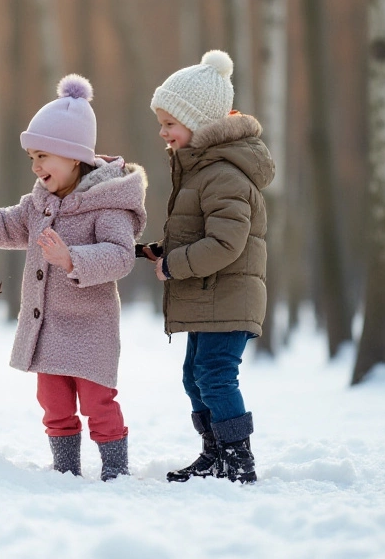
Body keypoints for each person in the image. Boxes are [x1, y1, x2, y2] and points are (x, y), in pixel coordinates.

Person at [0, 75, 147, 481]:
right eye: (32, 157)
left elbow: (120, 257)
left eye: (43, 156)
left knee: (98, 401)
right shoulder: (39, 204)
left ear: (73, 156)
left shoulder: (109, 204)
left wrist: (72, 260)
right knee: (53, 401)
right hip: (47, 327)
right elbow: (2, 225)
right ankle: (65, 468)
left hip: (91, 328)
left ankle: (115, 471)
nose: (36, 166)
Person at [137, 49, 274, 484]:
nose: (163, 132)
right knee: (195, 378)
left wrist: (176, 265)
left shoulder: (224, 175)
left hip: (227, 294)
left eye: (170, 123)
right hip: (210, 294)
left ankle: (238, 460)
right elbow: (200, 233)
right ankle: (214, 453)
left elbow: (226, 243)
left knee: (214, 376)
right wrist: (162, 250)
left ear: (198, 122)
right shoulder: (201, 171)